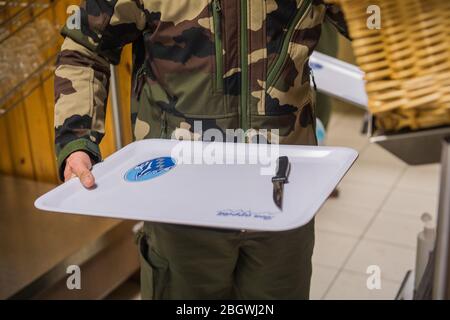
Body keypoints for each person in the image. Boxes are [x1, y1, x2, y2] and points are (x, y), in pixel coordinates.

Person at [54, 0, 349, 299]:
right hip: (180, 204)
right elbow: (84, 48)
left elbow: (379, 25)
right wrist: (76, 138)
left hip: (284, 199)